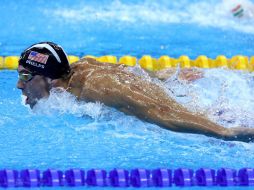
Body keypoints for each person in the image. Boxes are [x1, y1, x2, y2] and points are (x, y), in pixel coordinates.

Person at [17, 42, 254, 142]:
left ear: (48, 77)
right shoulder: (80, 67)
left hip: (207, 117)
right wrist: (163, 77)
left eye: (25, 76)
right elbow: (126, 69)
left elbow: (159, 110)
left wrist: (223, 131)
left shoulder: (99, 87)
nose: (19, 85)